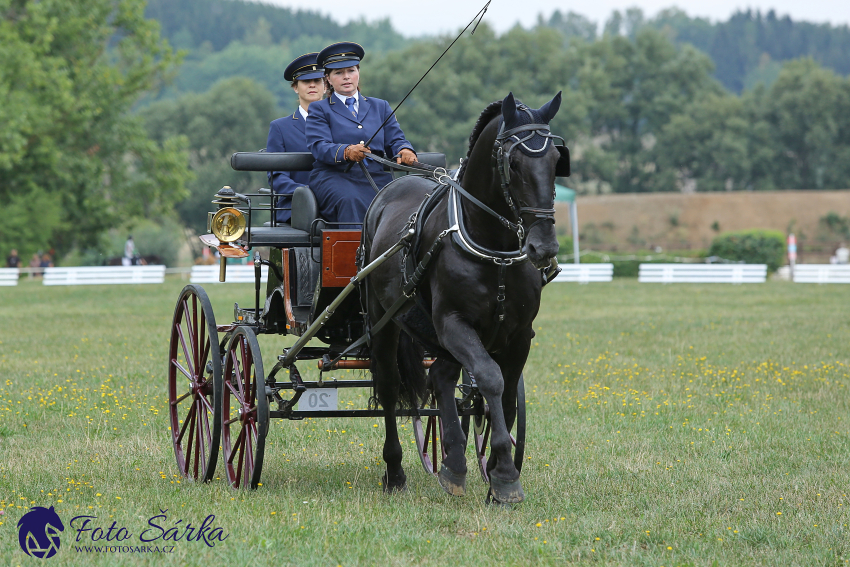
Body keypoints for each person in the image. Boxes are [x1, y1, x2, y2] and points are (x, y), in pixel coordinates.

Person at [305, 41, 417, 226]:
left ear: (358, 73)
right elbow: (319, 146)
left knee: (407, 201)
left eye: (351, 71)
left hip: (376, 175)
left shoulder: (380, 106)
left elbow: (395, 138)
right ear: (328, 79)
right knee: (351, 200)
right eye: (339, 73)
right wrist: (347, 151)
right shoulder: (319, 109)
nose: (346, 77)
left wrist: (405, 149)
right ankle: (355, 255)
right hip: (335, 176)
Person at [266, 52, 326, 224]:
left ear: (325, 86)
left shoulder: (339, 124)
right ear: (295, 87)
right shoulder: (280, 128)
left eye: (317, 81)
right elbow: (276, 176)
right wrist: (306, 192)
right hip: (295, 209)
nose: (312, 85)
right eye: (306, 81)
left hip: (336, 207)